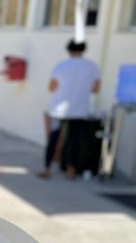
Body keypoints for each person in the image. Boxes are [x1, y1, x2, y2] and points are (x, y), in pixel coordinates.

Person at [42, 39, 101, 180]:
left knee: (53, 139)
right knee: (75, 141)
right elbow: (95, 88)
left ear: (68, 50)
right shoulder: (92, 67)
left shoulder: (61, 66)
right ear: (83, 50)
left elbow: (51, 87)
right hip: (79, 109)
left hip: (58, 109)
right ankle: (72, 170)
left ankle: (47, 169)